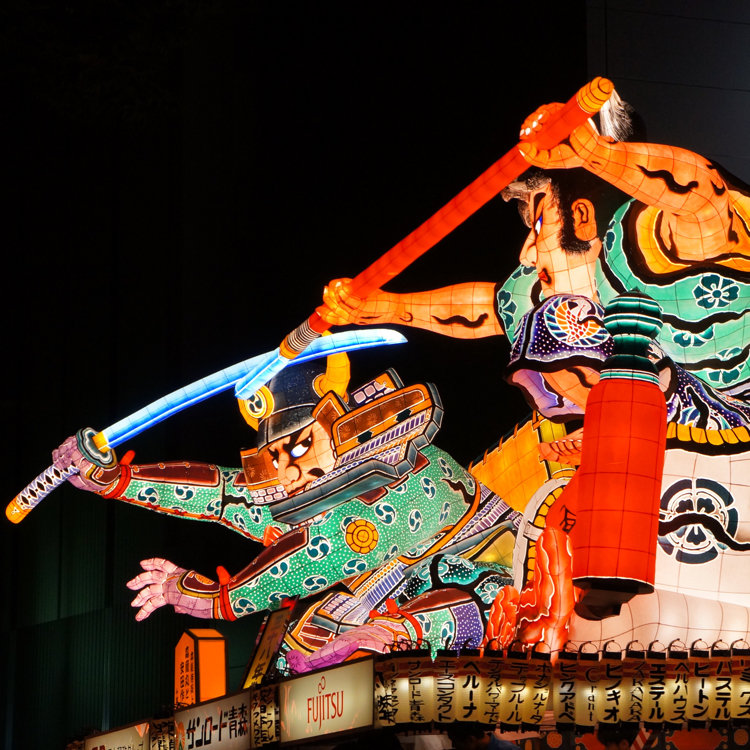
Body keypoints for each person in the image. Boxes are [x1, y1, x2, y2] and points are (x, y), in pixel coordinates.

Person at [53, 352, 575, 668]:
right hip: (400, 583)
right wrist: (113, 479)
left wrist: (206, 596)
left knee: (463, 603)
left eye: (300, 447)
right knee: (304, 645)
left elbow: (312, 555)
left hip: (498, 576)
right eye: (276, 457)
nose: (288, 470)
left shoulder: (396, 472)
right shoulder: (316, 486)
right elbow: (227, 495)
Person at [320, 90, 750, 426]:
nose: (526, 253)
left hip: (737, 406)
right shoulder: (561, 294)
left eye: (539, 223)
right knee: (545, 323)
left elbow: (703, 194)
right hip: (697, 424)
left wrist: (597, 155)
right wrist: (383, 307)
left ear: (582, 217)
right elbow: (485, 309)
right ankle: (619, 436)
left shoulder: (655, 241)